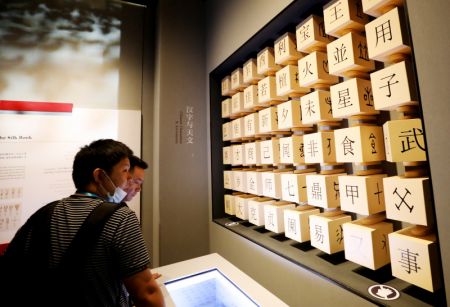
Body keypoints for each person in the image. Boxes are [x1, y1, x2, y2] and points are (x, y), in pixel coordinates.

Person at [3, 139, 164, 307]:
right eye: (124, 171)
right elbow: (147, 294)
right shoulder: (121, 217)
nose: (129, 177)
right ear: (100, 175)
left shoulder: (45, 212)